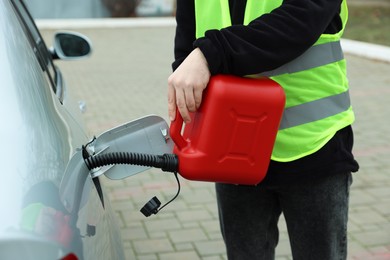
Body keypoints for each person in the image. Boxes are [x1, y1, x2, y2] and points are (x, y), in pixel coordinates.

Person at [167, 0, 359, 259]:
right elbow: (187, 43)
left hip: (312, 144)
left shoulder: (213, 51)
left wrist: (210, 53)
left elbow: (303, 18)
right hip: (232, 147)